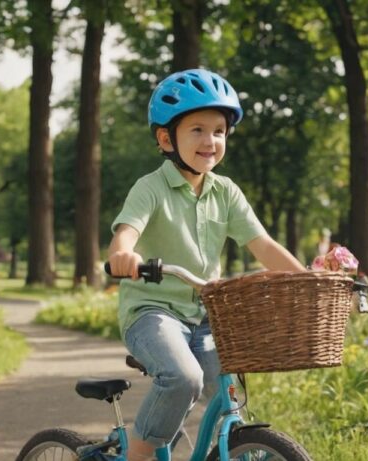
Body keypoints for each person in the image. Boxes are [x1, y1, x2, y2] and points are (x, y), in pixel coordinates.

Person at [107, 68, 306, 461]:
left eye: (219, 131)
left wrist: (308, 280)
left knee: (228, 386)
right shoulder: (151, 188)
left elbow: (262, 244)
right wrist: (123, 254)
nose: (210, 140)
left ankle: (229, 450)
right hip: (152, 313)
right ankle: (137, 455)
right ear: (166, 138)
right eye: (197, 129)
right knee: (184, 377)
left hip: (204, 314)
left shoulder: (226, 192)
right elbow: (126, 232)